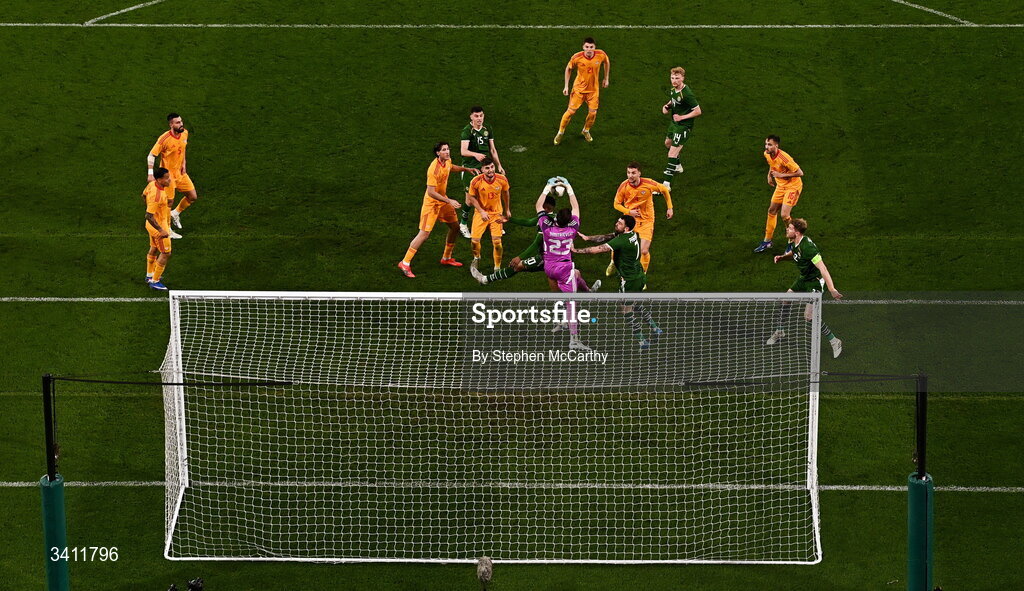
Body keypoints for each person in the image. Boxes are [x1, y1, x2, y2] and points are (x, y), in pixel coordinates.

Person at [574, 215, 664, 349]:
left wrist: (575, 250)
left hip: (629, 281)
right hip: (639, 276)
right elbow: (609, 236)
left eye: (620, 223)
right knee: (634, 303)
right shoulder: (632, 234)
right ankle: (655, 327)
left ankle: (641, 340)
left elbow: (596, 250)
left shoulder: (622, 241)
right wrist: (588, 238)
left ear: (626, 228)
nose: (616, 224)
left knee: (626, 310)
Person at [398, 142, 479, 278]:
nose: (447, 152)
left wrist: (465, 169)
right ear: (438, 153)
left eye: (448, 149)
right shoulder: (433, 169)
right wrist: (449, 201)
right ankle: (405, 263)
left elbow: (450, 167)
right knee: (424, 234)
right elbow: (431, 192)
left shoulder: (447, 161)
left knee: (455, 227)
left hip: (443, 201)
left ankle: (446, 258)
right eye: (444, 150)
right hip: (432, 204)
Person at [768, 218, 843, 358]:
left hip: (815, 282)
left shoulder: (808, 248)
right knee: (785, 299)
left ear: (796, 232)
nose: (787, 230)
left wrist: (832, 289)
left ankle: (834, 340)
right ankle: (780, 331)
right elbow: (796, 255)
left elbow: (823, 269)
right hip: (804, 278)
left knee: (808, 316)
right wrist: (783, 257)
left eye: (789, 228)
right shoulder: (794, 241)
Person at [536, 181, 599, 350]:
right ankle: (574, 340)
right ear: (569, 221)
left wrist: (547, 187)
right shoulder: (572, 229)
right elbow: (576, 208)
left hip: (549, 267)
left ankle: (589, 292)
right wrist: (570, 187)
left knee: (577, 274)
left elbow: (538, 206)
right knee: (572, 304)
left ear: (555, 218)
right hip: (564, 269)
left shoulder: (547, 228)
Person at [470, 192, 556, 286]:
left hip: (547, 258)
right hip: (563, 259)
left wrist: (519, 257)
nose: (543, 209)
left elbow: (536, 244)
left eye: (544, 207)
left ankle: (484, 279)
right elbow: (528, 222)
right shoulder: (555, 218)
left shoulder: (545, 221)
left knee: (516, 266)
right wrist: (508, 219)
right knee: (558, 280)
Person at [606, 162, 673, 278]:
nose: (630, 175)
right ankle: (613, 262)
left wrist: (670, 208)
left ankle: (642, 275)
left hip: (646, 220)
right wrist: (628, 212)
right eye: (628, 173)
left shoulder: (648, 183)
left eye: (633, 173)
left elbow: (664, 190)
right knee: (619, 244)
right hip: (629, 219)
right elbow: (616, 204)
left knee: (644, 251)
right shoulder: (624, 186)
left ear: (639, 173)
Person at [458, 106, 505, 238]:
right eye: (476, 116)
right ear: (471, 117)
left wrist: (499, 165)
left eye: (481, 116)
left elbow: (493, 149)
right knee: (470, 199)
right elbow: (463, 151)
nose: (479, 119)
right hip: (470, 168)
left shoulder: (487, 128)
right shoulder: (467, 131)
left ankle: (494, 222)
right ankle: (463, 223)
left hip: (485, 167)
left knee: (491, 192)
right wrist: (475, 155)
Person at [554, 37, 610, 145]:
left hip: (593, 91)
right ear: (583, 47)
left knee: (593, 113)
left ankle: (586, 130)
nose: (589, 49)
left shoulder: (601, 54)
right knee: (570, 112)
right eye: (587, 47)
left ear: (594, 47)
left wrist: (606, 78)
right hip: (579, 90)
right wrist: (566, 86)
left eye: (591, 47)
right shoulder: (577, 57)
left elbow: (606, 62)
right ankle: (560, 133)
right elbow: (568, 69)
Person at [147, 113, 196, 237]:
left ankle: (176, 213)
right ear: (171, 124)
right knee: (169, 202)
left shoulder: (185, 133)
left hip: (181, 173)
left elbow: (182, 149)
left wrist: (184, 163)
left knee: (192, 196)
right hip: (168, 176)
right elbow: (151, 155)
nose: (181, 124)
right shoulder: (164, 139)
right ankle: (167, 229)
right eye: (178, 122)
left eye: (181, 121)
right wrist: (150, 174)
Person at [754, 135, 804, 253]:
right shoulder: (767, 154)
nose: (767, 147)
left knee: (784, 215)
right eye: (766, 144)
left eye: (770, 145)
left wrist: (782, 175)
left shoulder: (784, 158)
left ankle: (792, 242)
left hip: (792, 187)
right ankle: (767, 241)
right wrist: (769, 175)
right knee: (771, 211)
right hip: (780, 186)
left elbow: (800, 172)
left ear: (776, 146)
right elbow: (771, 164)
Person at [661, 67, 701, 190]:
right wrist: (667, 106)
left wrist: (682, 117)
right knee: (668, 143)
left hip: (683, 126)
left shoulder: (687, 94)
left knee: (672, 153)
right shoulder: (674, 88)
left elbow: (698, 111)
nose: (674, 80)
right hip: (674, 124)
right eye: (672, 78)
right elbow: (673, 99)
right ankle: (678, 166)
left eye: (677, 78)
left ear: (683, 78)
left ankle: (666, 184)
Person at [467, 159, 511, 271]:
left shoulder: (502, 179)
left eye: (492, 167)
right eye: (487, 168)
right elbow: (471, 197)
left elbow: (506, 192)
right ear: (482, 169)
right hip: (480, 213)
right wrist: (481, 211)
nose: (490, 170)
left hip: (496, 214)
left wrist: (507, 209)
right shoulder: (475, 181)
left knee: (497, 242)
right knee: (474, 241)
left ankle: (497, 267)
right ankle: (476, 257)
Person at [143, 168, 175, 290]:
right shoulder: (158, 196)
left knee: (154, 248)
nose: (169, 179)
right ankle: (155, 281)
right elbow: (148, 215)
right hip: (158, 228)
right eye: (167, 178)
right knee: (166, 253)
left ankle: (149, 275)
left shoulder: (151, 184)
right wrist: (161, 230)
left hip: (150, 226)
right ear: (160, 179)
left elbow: (143, 195)